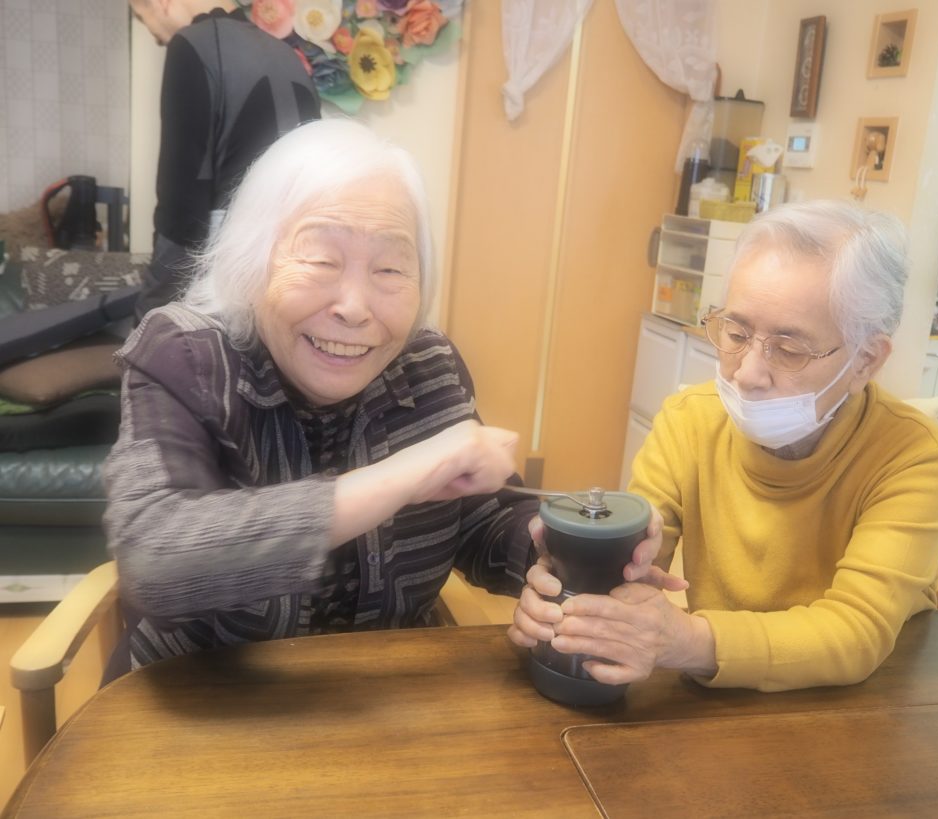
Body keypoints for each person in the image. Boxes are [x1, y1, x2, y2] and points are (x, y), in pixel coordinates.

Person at [102, 118, 660, 675]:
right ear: (252, 260)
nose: (354, 307)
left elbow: (481, 518)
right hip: (201, 699)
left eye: (390, 268)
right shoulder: (186, 355)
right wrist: (404, 476)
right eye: (321, 260)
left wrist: (560, 543)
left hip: (385, 694)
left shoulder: (427, 364)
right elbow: (154, 561)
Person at [509, 200, 938, 692]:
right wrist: (569, 585)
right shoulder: (690, 421)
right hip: (717, 697)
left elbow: (856, 633)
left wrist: (686, 640)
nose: (746, 374)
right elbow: (636, 569)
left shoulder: (916, 457)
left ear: (865, 360)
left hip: (864, 702)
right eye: (736, 332)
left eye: (788, 349)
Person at [129, 0, 321, 321]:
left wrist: (149, 317)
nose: (154, 36)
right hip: (289, 287)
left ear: (162, 3)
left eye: (141, 17)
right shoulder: (290, 57)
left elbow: (181, 211)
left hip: (224, 294)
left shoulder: (193, 43)